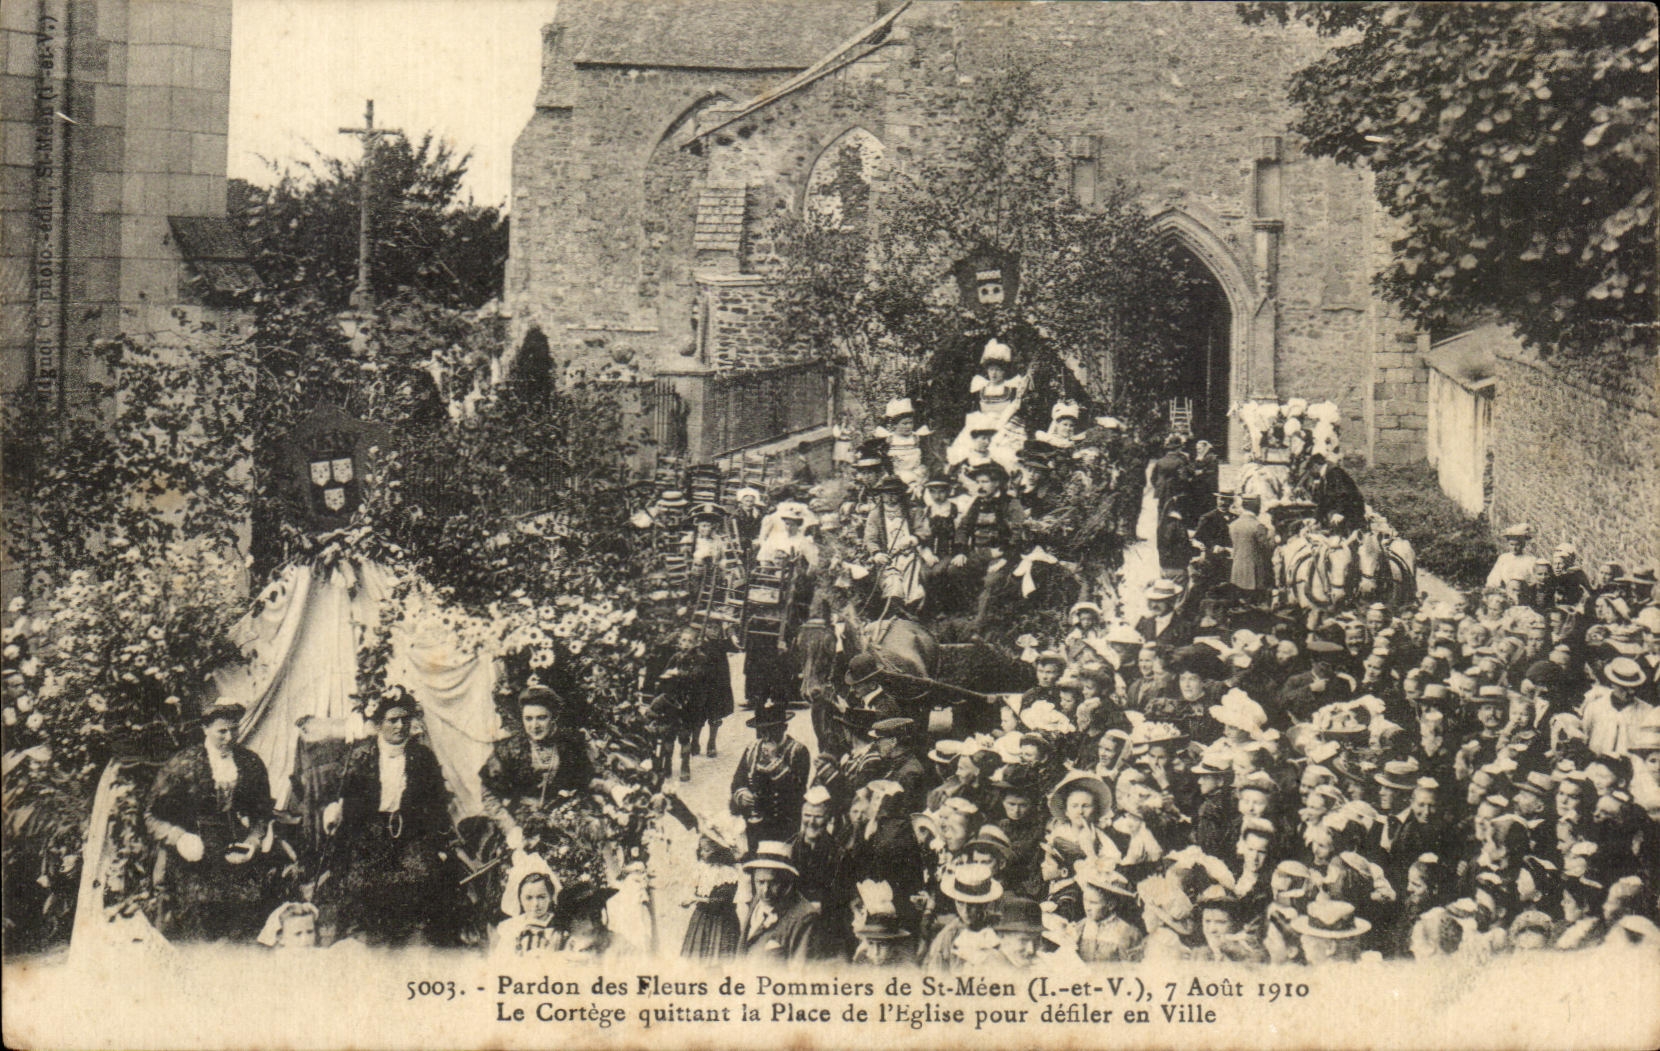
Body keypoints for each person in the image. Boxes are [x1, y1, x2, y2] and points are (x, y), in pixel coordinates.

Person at [325, 687, 456, 947]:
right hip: (368, 833)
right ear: (378, 723)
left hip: (411, 832)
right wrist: (337, 813)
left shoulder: (422, 756)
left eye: (405, 720)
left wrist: (435, 842)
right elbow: (342, 797)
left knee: (424, 876)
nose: (400, 726)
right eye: (392, 720)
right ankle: (370, 941)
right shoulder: (361, 755)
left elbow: (437, 803)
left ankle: (415, 941)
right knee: (364, 882)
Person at [145, 701, 274, 943]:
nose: (230, 736)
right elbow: (151, 816)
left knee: (243, 927)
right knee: (197, 927)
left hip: (234, 851)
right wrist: (179, 837)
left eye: (234, 729)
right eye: (222, 731)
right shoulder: (183, 764)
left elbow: (262, 812)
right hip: (192, 855)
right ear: (205, 729)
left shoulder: (250, 762)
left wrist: (253, 841)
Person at [730, 709, 813, 852]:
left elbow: (797, 790)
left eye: (772, 730)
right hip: (755, 823)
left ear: (784, 728)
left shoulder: (798, 751)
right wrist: (742, 794)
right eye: (762, 731)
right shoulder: (752, 749)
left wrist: (775, 761)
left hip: (784, 823)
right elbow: (738, 780)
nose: (766, 736)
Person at [741, 841, 828, 963]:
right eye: (760, 882)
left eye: (774, 883)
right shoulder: (757, 900)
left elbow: (800, 972)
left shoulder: (804, 917)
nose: (765, 891)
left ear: (788, 882)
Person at [681, 823, 742, 961]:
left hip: (721, 921)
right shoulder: (703, 869)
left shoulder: (728, 873)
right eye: (701, 849)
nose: (702, 853)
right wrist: (689, 899)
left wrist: (696, 899)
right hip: (702, 918)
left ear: (718, 852)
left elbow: (723, 901)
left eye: (706, 850)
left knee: (717, 959)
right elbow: (697, 890)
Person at [492, 852, 562, 958]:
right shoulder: (512, 928)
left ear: (550, 897)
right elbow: (500, 961)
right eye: (529, 898)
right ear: (520, 899)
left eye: (541, 897)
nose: (535, 904)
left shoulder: (558, 925)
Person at [1230, 495, 1276, 607]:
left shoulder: (1233, 525)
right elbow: (1267, 549)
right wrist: (1273, 537)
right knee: (1257, 604)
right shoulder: (1257, 526)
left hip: (1237, 570)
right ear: (1257, 507)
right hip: (1255, 573)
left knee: (1242, 603)